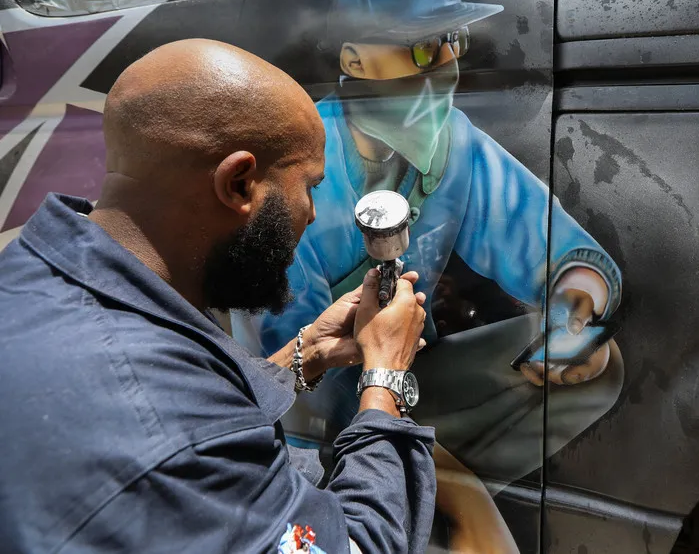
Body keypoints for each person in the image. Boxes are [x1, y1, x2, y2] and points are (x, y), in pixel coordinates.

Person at [232, 0, 624, 551]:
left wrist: (574, 308)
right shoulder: (302, 177)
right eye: (419, 51)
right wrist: (459, 490)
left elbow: (546, 239)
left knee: (600, 365)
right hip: (311, 418)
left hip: (406, 374)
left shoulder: (454, 141)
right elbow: (297, 382)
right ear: (355, 60)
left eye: (452, 42)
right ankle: (386, 509)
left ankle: (416, 503)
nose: (444, 67)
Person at [0, 39, 436, 554]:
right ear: (240, 183)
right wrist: (384, 378)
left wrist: (308, 355)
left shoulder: (27, 275)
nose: (312, 214)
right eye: (309, 187)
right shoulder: (177, 435)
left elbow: (187, 400)